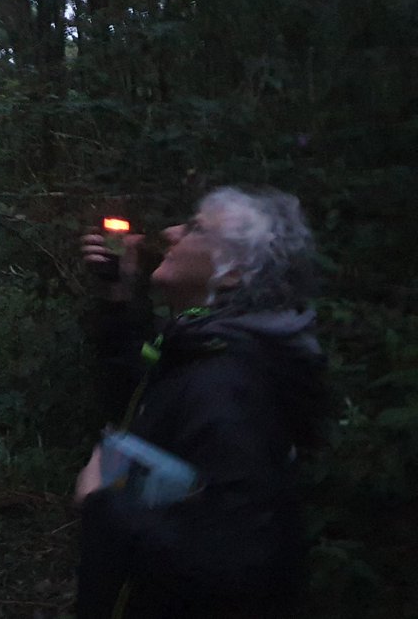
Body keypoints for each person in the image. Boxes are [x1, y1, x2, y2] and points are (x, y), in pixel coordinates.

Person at [74, 187, 327, 618]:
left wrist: (103, 506)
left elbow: (234, 565)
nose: (170, 232)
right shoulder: (204, 348)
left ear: (234, 271)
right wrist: (119, 299)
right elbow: (143, 405)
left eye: (194, 228)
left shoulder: (232, 386)